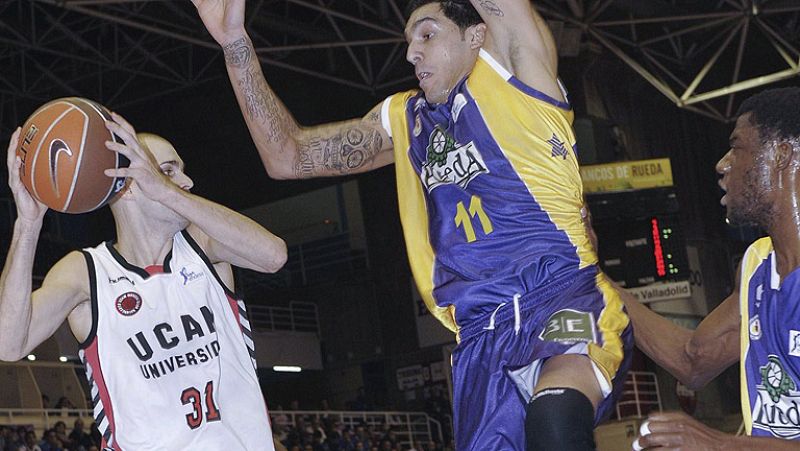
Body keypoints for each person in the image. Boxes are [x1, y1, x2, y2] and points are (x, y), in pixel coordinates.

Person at [193, 0, 632, 449]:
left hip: (557, 296)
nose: (411, 53)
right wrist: (234, 43)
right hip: (478, 337)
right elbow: (286, 156)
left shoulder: (517, 73)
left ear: (476, 35)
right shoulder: (405, 118)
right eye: (408, 42)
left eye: (427, 35)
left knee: (556, 416)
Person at [0, 116, 287, 450]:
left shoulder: (205, 245)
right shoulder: (86, 271)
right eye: (168, 170)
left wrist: (166, 191)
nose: (187, 181)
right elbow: (9, 343)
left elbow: (273, 256)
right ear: (128, 184)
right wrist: (28, 224)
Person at [616, 87, 800, 449]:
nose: (722, 164)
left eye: (737, 146)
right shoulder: (757, 266)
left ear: (780, 154)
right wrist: (590, 275)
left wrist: (721, 445)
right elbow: (694, 359)